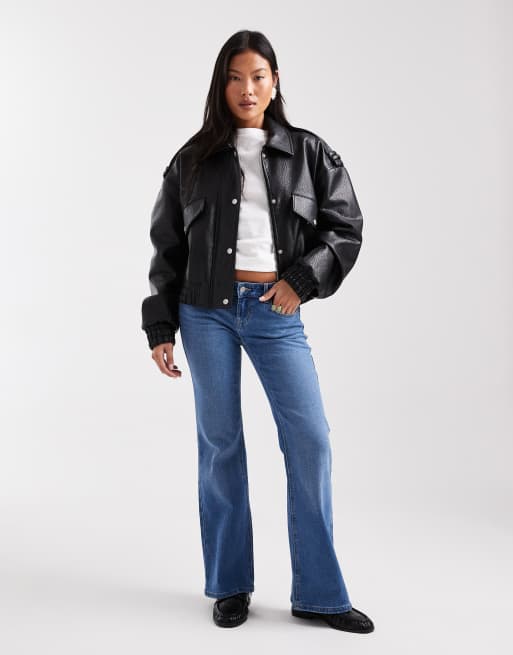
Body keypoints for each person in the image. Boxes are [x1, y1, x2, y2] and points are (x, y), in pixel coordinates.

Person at [140, 29, 374, 633]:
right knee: (220, 443)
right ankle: (229, 585)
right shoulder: (191, 160)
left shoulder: (310, 152)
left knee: (310, 439)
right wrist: (160, 325)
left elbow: (346, 228)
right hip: (204, 312)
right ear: (221, 85)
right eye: (235, 78)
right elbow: (167, 247)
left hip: (276, 312)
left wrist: (302, 278)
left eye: (258, 77)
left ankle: (319, 594)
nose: (247, 89)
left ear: (275, 82)